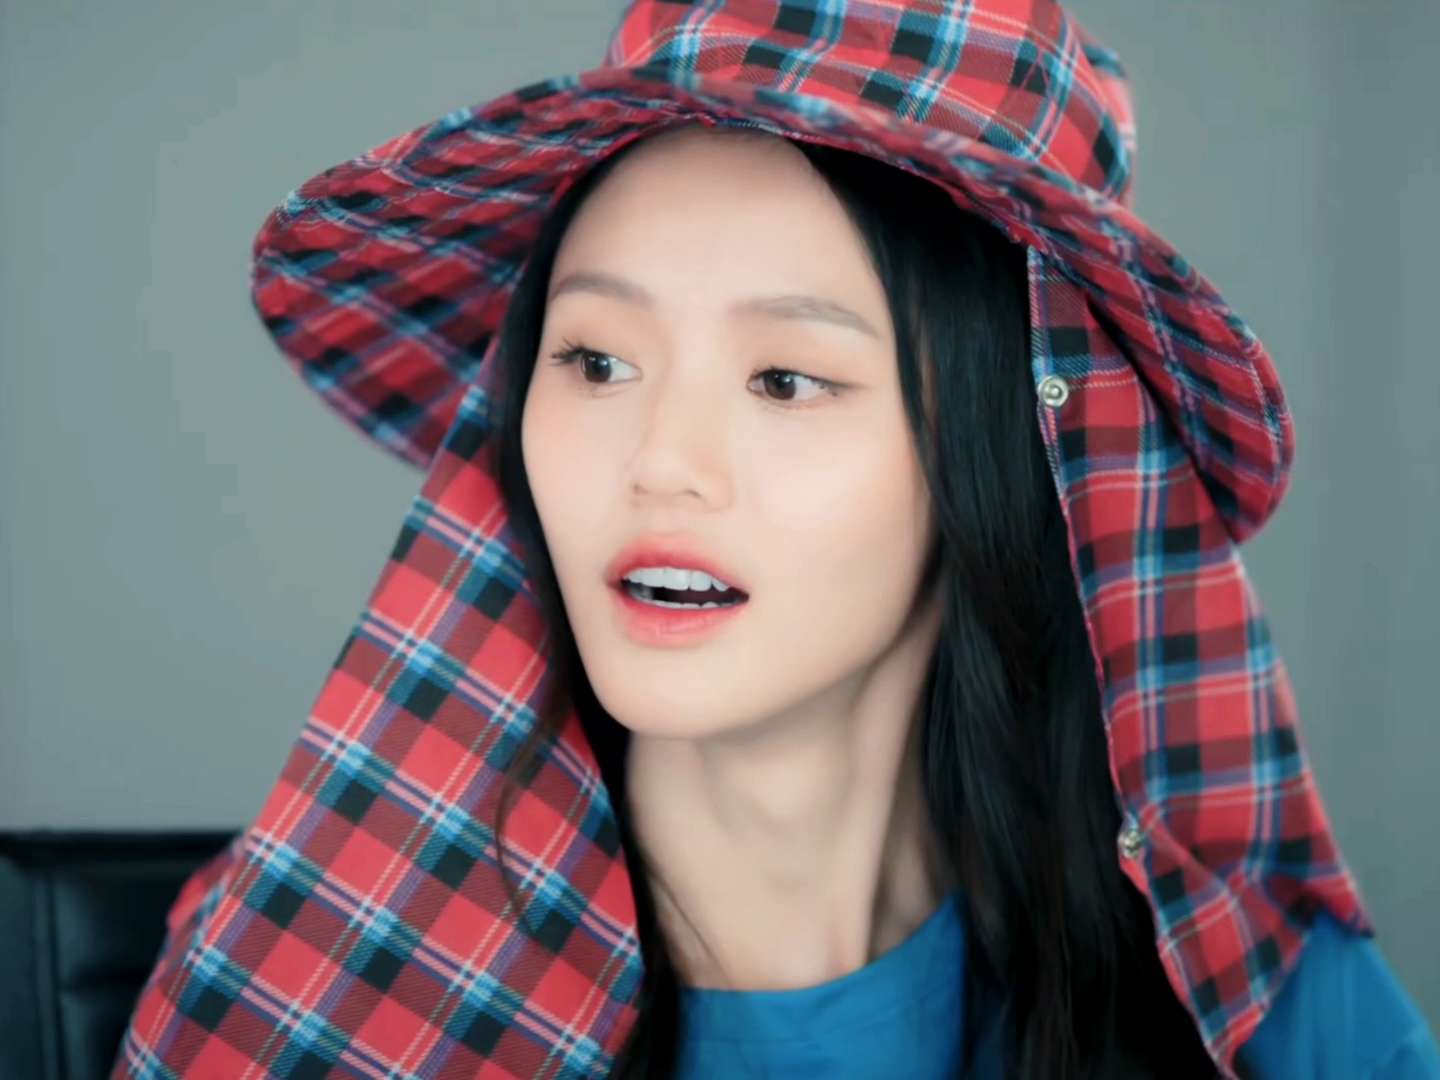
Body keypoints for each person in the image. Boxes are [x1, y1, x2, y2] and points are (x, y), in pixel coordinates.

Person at [113, 2, 1439, 1077]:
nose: (660, 461)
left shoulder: (1268, 1017)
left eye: (786, 380)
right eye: (596, 360)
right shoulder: (311, 1000)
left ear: (1011, 452)